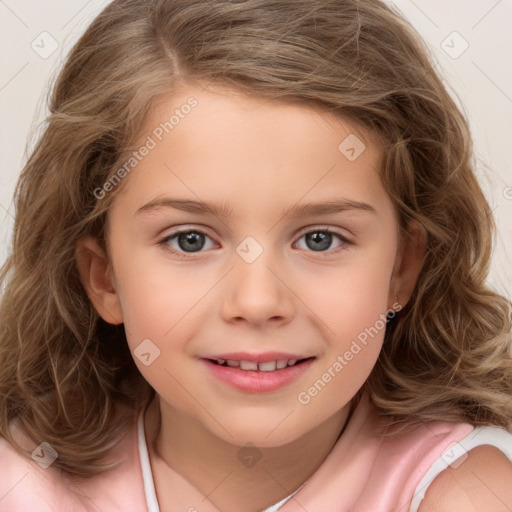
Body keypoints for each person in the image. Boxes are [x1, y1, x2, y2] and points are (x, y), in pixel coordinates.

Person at [1, 0, 511, 510]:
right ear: (104, 279)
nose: (258, 300)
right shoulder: (23, 482)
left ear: (401, 269)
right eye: (190, 240)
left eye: (320, 239)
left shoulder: (463, 494)